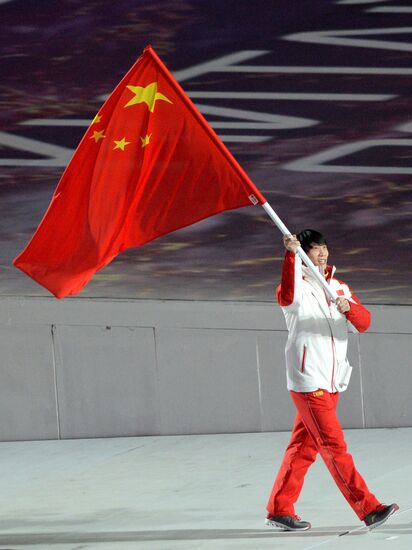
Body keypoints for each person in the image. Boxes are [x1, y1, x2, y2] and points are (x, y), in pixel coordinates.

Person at [265, 229, 398, 531]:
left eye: (324, 247)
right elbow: (287, 296)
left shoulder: (339, 287)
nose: (322, 253)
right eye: (314, 249)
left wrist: (349, 309)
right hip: (310, 381)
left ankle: (279, 508)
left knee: (303, 448)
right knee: (334, 447)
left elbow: (364, 323)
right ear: (303, 253)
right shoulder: (296, 286)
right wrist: (289, 255)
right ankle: (369, 508)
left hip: (333, 380)